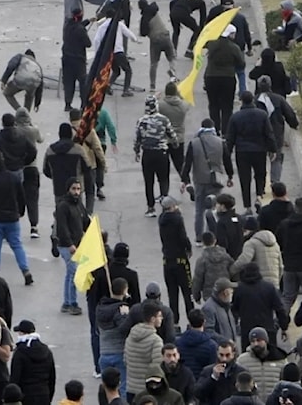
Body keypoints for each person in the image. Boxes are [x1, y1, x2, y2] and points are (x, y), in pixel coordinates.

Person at [0, 151, 32, 286]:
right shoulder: (13, 178)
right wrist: (20, 211)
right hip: (12, 218)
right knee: (17, 245)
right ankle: (25, 270)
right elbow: (21, 197)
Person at [181, 120, 233, 242]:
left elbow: (187, 163)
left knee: (199, 210)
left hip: (199, 180)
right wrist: (230, 176)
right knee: (215, 208)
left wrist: (185, 180)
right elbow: (227, 161)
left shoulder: (194, 143)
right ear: (213, 128)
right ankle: (212, 236)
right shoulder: (220, 142)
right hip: (216, 180)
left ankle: (199, 237)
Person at [224, 91, 275, 213]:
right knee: (260, 174)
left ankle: (247, 206)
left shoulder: (235, 117)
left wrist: (228, 153)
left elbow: (230, 138)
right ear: (253, 100)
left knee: (244, 178)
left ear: (241, 101)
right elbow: (269, 133)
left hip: (242, 151)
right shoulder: (262, 115)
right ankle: (258, 196)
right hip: (259, 150)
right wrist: (272, 149)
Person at [134, 96, 175, 217]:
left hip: (147, 154)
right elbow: (172, 134)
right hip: (161, 153)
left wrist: (137, 151)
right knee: (163, 179)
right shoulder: (163, 119)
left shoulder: (141, 120)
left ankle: (150, 208)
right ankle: (165, 204)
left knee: (149, 181)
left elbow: (137, 139)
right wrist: (175, 144)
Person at [54, 178, 88, 315]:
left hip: (78, 244)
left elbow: (85, 220)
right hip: (67, 246)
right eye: (74, 189)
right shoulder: (63, 206)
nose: (76, 192)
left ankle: (67, 302)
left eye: (78, 189)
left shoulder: (79, 204)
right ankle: (72, 303)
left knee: (70, 273)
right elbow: (62, 227)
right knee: (73, 273)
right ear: (68, 189)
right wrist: (70, 244)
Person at [204, 25, 245, 134]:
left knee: (213, 104)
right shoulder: (233, 47)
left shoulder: (212, 44)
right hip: (228, 78)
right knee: (227, 106)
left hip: (211, 77)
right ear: (230, 34)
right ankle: (226, 131)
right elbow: (241, 63)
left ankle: (215, 129)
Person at [158, 197, 192, 325]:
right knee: (187, 292)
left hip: (167, 260)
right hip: (181, 261)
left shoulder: (161, 220)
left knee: (172, 295)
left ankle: (174, 322)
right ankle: (191, 319)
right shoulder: (178, 219)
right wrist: (188, 248)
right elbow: (183, 236)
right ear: (172, 207)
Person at [124, 301, 164, 402]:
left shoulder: (131, 335)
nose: (161, 318)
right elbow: (157, 368)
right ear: (153, 319)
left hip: (131, 388)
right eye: (159, 316)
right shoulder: (156, 340)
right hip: (146, 391)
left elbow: (125, 360)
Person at [10, 320, 55, 405]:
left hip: (26, 397)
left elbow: (15, 378)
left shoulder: (20, 352)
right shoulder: (47, 351)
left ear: (21, 333)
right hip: (44, 395)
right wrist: (49, 397)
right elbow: (52, 378)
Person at [235, 327, 286, 395]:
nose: (256, 344)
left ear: (266, 340)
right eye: (253, 341)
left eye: (259, 340)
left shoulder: (280, 360)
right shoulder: (242, 361)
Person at [201, 279, 238, 344]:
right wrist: (225, 341)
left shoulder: (225, 305)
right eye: (231, 292)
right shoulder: (209, 308)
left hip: (229, 347)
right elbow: (208, 331)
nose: (232, 294)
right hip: (220, 349)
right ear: (225, 293)